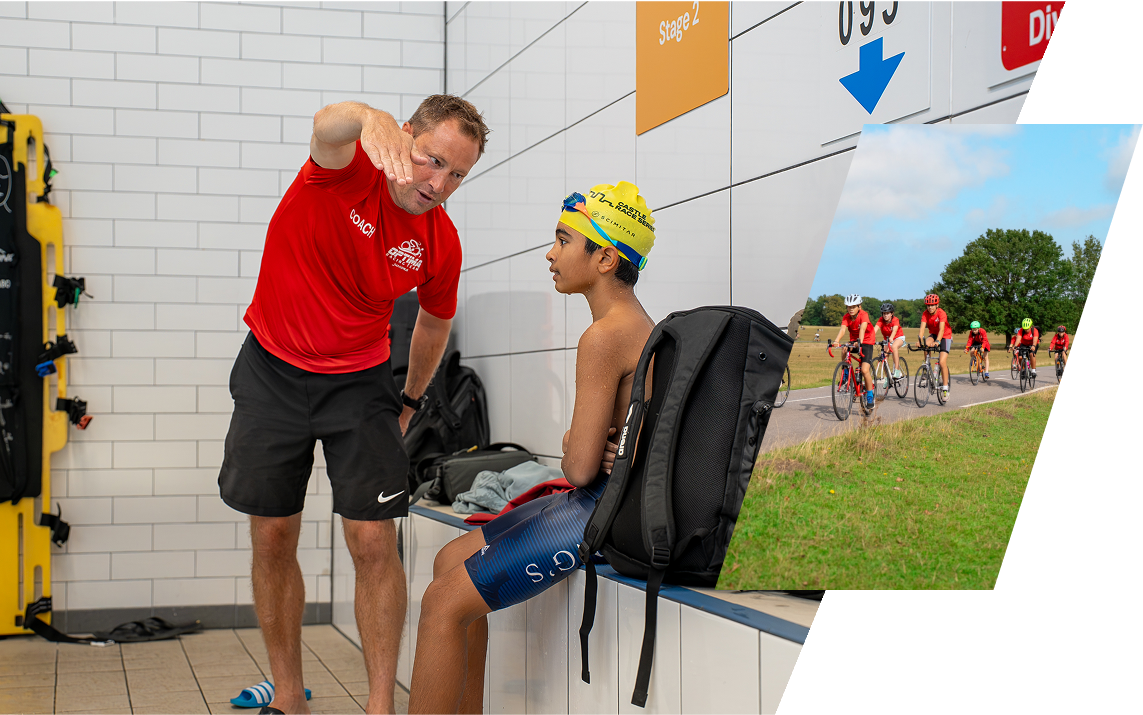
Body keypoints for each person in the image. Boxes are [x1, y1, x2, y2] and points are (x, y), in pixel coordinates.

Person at [217, 96, 489, 715]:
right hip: (272, 370)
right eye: (432, 161)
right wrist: (370, 119)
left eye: (456, 175)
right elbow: (326, 125)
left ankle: (378, 705)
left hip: (361, 382)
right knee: (274, 535)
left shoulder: (439, 242)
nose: (438, 184)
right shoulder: (340, 170)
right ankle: (288, 695)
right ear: (405, 139)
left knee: (373, 542)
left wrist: (412, 400)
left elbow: (433, 326)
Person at [405, 182, 658, 715]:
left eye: (563, 240)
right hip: (608, 500)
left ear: (605, 258)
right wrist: (583, 446)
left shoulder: (604, 336)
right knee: (450, 559)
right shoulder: (643, 328)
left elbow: (581, 466)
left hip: (599, 513)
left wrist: (575, 445)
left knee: (440, 605)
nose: (550, 253)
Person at [830, 294, 876, 410]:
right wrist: (836, 341)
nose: (851, 309)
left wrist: (859, 342)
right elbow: (843, 330)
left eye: (853, 307)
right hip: (854, 341)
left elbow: (863, 328)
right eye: (849, 307)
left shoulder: (864, 315)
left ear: (859, 307)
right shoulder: (846, 317)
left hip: (867, 341)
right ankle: (845, 371)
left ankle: (870, 395)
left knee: (865, 370)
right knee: (845, 348)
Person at [917, 293, 952, 400]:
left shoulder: (942, 313)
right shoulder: (925, 314)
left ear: (937, 305)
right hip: (933, 334)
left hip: (945, 336)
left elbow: (942, 329)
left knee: (942, 362)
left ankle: (945, 389)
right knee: (925, 344)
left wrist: (937, 341)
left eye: (932, 305)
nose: (930, 307)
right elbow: (922, 328)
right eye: (928, 305)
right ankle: (927, 367)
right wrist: (919, 340)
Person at [875, 302, 906, 379]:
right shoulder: (881, 320)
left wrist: (892, 337)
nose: (885, 315)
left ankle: (897, 371)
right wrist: (869, 338)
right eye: (884, 313)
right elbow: (874, 329)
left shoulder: (895, 320)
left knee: (894, 347)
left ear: (892, 313)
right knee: (884, 356)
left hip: (898, 337)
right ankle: (887, 377)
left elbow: (895, 330)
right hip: (887, 340)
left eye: (888, 313)